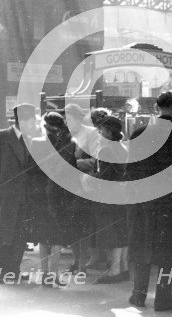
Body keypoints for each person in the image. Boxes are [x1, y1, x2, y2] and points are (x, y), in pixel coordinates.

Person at [126, 91, 172, 311]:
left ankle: (138, 296)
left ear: (156, 107)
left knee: (142, 248)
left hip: (144, 202)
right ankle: (163, 299)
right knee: (166, 253)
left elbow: (130, 171)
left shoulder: (139, 133)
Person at [0, 104, 37, 283]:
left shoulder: (30, 139)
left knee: (19, 235)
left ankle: (13, 271)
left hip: (23, 196)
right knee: (2, 235)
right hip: (5, 198)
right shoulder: (2, 136)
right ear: (23, 121)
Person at [29, 112, 80, 287]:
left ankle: (44, 274)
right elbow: (71, 171)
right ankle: (53, 274)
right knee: (57, 237)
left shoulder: (36, 143)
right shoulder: (68, 144)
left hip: (40, 195)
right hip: (59, 195)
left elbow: (31, 170)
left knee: (43, 236)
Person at [93, 115, 129, 284]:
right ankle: (123, 268)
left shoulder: (105, 149)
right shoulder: (123, 147)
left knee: (113, 234)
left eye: (102, 129)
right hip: (123, 194)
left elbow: (104, 176)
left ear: (109, 131)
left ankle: (114, 272)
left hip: (109, 195)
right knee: (122, 232)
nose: (99, 132)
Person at [64, 103, 100, 272]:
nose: (67, 122)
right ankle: (76, 260)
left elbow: (95, 161)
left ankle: (84, 261)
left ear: (79, 119)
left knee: (84, 224)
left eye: (70, 119)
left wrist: (72, 163)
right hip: (68, 184)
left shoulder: (91, 134)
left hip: (85, 184)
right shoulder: (65, 135)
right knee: (71, 224)